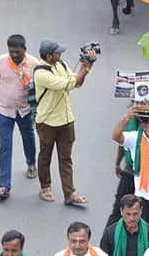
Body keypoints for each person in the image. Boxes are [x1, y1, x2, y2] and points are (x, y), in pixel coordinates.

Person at [34, 39, 96, 206]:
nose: (60, 54)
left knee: (66, 158)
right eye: (57, 52)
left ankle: (70, 193)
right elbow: (69, 84)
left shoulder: (60, 64)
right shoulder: (41, 73)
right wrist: (85, 67)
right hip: (47, 122)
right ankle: (45, 187)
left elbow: (78, 82)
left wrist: (86, 67)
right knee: (45, 156)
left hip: (66, 120)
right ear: (48, 56)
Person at [0, 34, 39, 200]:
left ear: (25, 50)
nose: (14, 55)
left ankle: (31, 163)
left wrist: (38, 111)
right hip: (4, 110)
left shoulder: (34, 64)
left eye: (17, 52)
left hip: (24, 109)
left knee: (28, 137)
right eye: (11, 52)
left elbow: (39, 88)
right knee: (5, 146)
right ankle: (4, 186)